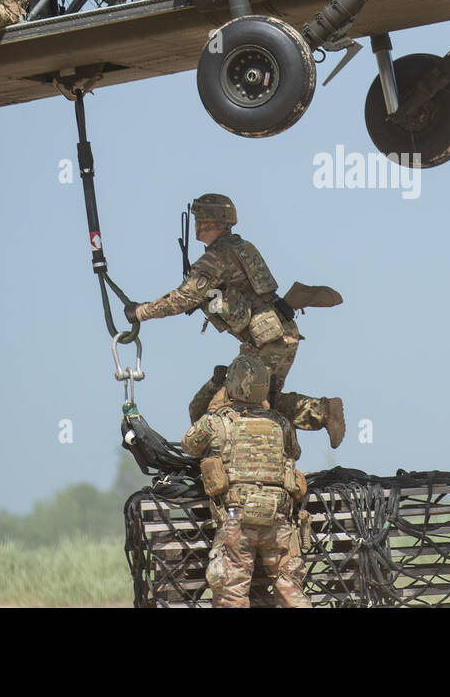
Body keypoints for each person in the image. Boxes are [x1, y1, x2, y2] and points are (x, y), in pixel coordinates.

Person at [127, 194, 346, 448]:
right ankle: (322, 412)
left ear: (212, 221)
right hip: (274, 337)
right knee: (260, 401)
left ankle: (242, 461)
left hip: (270, 341)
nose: (196, 224)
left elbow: (182, 298)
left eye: (200, 219)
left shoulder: (215, 258)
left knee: (230, 408)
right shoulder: (241, 247)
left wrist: (141, 312)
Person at [181, 354, 312, 608]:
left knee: (231, 592)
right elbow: (293, 453)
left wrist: (214, 401)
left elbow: (189, 445)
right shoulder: (281, 423)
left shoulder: (215, 423)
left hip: (236, 519)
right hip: (278, 518)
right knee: (290, 587)